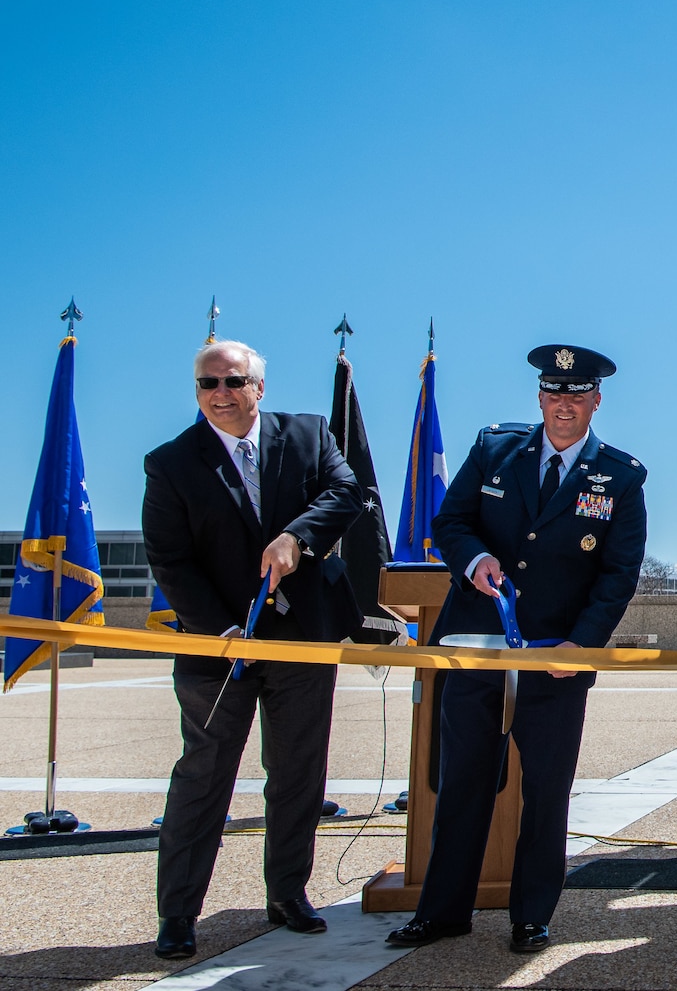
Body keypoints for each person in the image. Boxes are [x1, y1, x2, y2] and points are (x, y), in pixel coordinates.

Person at [386, 345, 646, 955]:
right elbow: (451, 524)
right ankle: (443, 911)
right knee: (463, 783)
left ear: (596, 401)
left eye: (577, 395)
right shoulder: (494, 449)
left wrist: (581, 645)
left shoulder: (621, 476)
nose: (565, 405)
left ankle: (532, 916)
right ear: (540, 398)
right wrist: (475, 560)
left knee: (547, 792)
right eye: (555, 394)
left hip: (556, 660)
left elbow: (619, 573)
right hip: (477, 646)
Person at [142, 340, 364, 961]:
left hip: (303, 639)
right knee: (203, 776)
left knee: (296, 774)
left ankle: (288, 894)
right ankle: (179, 913)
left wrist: (297, 536)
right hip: (219, 645)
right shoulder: (169, 463)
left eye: (232, 381)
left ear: (258, 386)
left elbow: (347, 494)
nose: (219, 393)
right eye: (206, 384)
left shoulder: (309, 434)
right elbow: (170, 558)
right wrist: (218, 628)